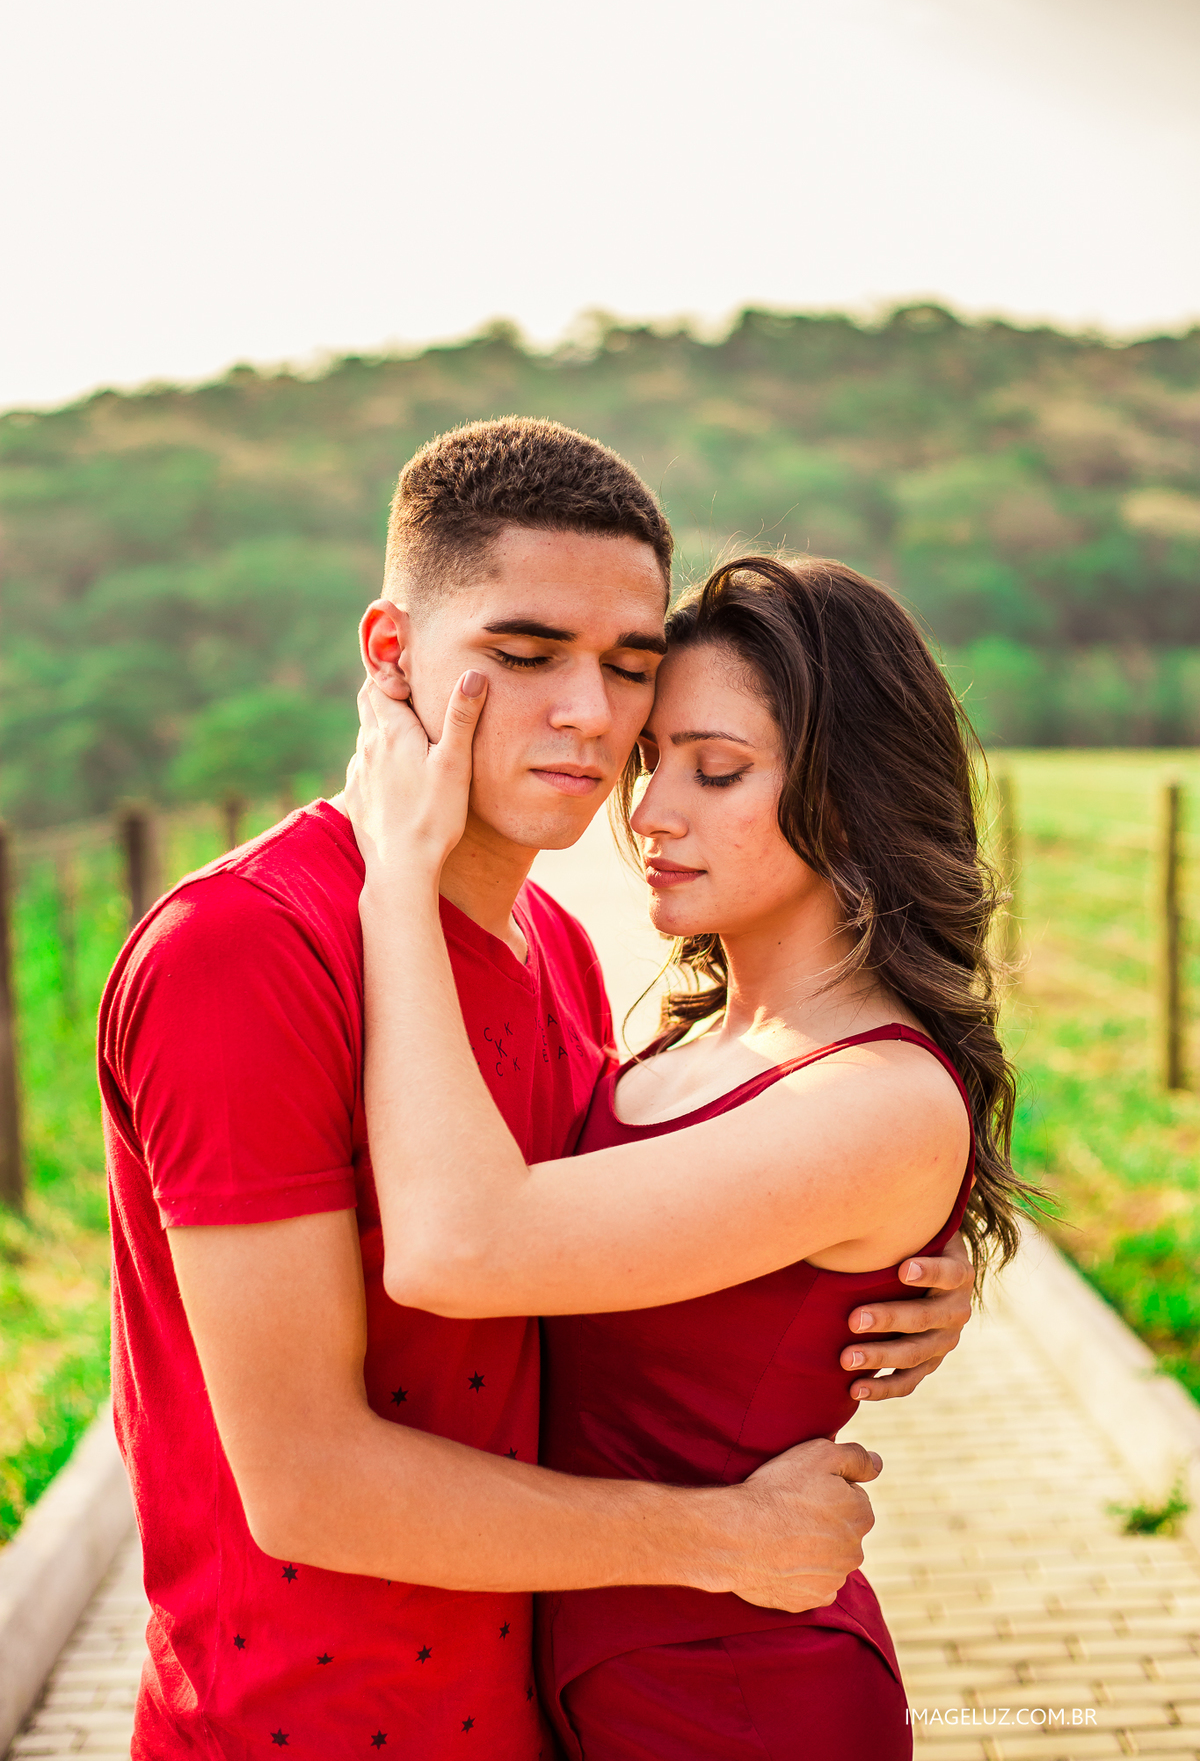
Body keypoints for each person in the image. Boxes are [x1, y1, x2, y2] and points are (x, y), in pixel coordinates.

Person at [99, 419, 974, 1761]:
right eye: (521, 656)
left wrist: (882, 1262)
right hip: (307, 1729)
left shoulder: (555, 948)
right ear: (391, 656)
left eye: (629, 669)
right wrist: (719, 1535)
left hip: (558, 1712)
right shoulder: (244, 954)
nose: (592, 718)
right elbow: (309, 1478)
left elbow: (638, 1238)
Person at [344, 549, 1022, 1760]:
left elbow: (461, 1246)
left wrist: (396, 880)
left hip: (738, 1693)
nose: (651, 812)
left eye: (718, 772)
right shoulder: (688, 1034)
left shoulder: (879, 1096)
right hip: (591, 1679)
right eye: (657, 763)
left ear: (853, 792)